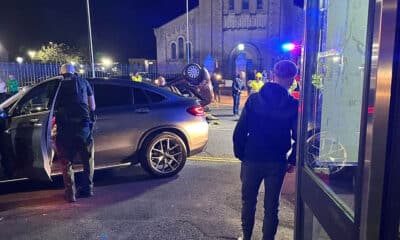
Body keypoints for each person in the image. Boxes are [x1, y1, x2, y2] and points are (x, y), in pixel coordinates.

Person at [233, 60, 298, 240]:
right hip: (277, 161)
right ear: (292, 80)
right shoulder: (292, 104)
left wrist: (242, 155)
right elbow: (299, 137)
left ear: (274, 75)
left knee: (248, 202)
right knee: (271, 206)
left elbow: (240, 131)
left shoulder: (254, 99)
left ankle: (246, 237)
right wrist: (292, 160)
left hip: (252, 158)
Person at [56, 63, 96, 203]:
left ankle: (70, 194)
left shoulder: (58, 85)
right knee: (88, 160)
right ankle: (88, 189)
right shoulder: (84, 82)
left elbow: (52, 107)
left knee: (66, 161)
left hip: (65, 129)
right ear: (75, 72)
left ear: (62, 73)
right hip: (83, 128)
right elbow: (93, 106)